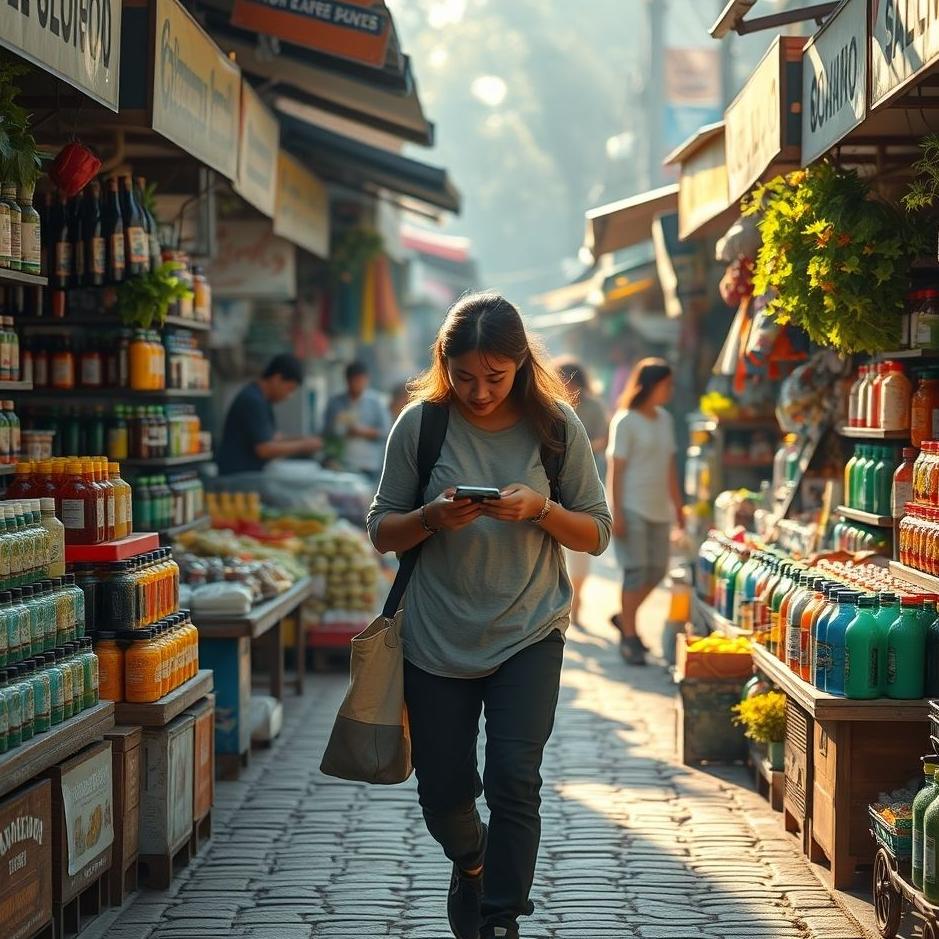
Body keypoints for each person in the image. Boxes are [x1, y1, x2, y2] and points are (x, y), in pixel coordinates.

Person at [367, 293, 611, 939]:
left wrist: (540, 509)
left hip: (528, 630)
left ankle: (501, 916)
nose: (479, 391)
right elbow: (381, 530)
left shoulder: (556, 426)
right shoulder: (421, 424)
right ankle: (470, 860)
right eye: (465, 376)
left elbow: (595, 533)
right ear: (445, 365)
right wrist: (429, 518)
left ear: (520, 364)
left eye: (494, 377)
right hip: (434, 635)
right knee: (443, 789)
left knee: (513, 776)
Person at [607, 357, 684, 666]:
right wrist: (617, 512)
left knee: (657, 571)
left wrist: (679, 507)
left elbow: (669, 468)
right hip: (632, 506)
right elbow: (617, 469)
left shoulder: (665, 419)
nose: (670, 390)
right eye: (666, 384)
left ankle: (625, 618)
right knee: (636, 572)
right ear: (651, 385)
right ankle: (630, 637)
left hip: (659, 510)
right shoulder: (625, 420)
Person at [557, 360, 609, 627]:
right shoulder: (548, 404)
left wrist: (578, 447)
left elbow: (603, 439)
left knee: (581, 551)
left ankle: (576, 600)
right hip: (553, 488)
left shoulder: (593, 406)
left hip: (584, 484)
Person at [217, 354, 321, 476]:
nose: (289, 396)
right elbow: (264, 449)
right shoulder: (253, 400)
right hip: (239, 479)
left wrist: (304, 440)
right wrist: (304, 445)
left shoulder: (262, 400)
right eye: (289, 389)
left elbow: (273, 438)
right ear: (277, 379)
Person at [323, 361, 391, 481]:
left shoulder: (376, 402)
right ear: (347, 380)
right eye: (354, 381)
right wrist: (342, 431)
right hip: (341, 462)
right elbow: (326, 432)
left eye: (360, 380)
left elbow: (386, 432)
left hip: (369, 463)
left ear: (366, 380)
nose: (357, 384)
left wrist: (363, 432)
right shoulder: (335, 402)